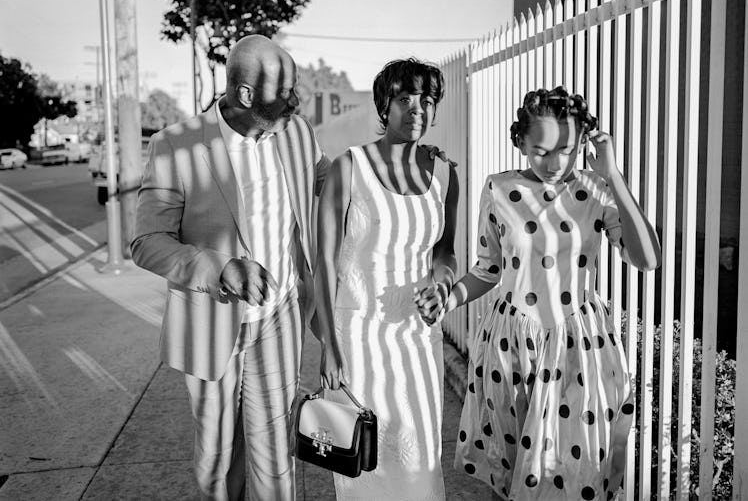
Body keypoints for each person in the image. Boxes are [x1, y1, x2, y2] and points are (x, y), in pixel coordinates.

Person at [418, 86, 661, 500]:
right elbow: (489, 269)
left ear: (582, 142)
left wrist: (614, 176)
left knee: (578, 469)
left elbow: (648, 258)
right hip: (510, 346)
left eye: (566, 150)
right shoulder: (499, 189)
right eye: (541, 151)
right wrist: (450, 298)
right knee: (509, 472)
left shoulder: (596, 190)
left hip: (579, 348)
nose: (554, 162)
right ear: (521, 143)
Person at [131, 34, 344, 500]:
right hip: (211, 323)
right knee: (218, 456)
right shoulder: (176, 145)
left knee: (276, 451)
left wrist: (397, 158)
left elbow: (331, 179)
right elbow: (147, 242)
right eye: (285, 90)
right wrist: (218, 267)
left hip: (280, 314)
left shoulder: (296, 133)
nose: (296, 99)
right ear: (246, 94)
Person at [315, 58, 460, 500]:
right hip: (357, 335)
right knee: (365, 460)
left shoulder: (445, 175)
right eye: (405, 98)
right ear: (384, 105)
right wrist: (328, 347)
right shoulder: (348, 167)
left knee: (418, 457)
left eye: (428, 99)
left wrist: (443, 283)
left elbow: (445, 251)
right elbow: (322, 259)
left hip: (417, 337)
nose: (417, 108)